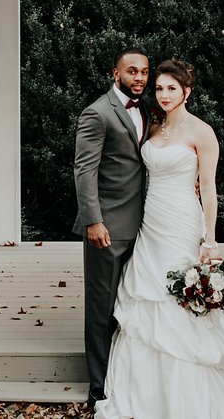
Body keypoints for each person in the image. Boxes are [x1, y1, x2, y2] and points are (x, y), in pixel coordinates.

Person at [94, 58, 224, 419]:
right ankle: (142, 387)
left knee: (175, 295)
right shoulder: (153, 126)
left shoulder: (202, 132)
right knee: (146, 291)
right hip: (150, 221)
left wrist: (210, 239)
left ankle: (189, 385)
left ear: (187, 91)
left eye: (172, 88)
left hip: (182, 220)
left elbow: (210, 189)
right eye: (159, 88)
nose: (164, 94)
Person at [73, 48, 151, 408]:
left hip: (145, 227)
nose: (139, 78)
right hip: (107, 227)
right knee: (102, 307)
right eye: (132, 71)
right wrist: (93, 220)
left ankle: (128, 376)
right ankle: (98, 387)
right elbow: (84, 170)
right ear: (115, 73)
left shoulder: (149, 111)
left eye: (144, 72)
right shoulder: (98, 113)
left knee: (133, 304)